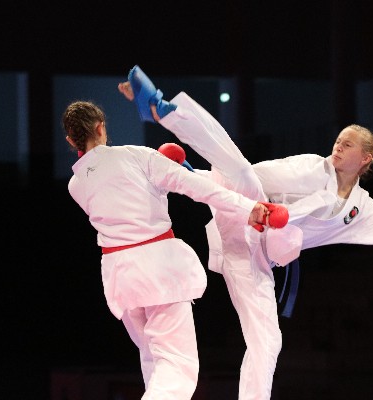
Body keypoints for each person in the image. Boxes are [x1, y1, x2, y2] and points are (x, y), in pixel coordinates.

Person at [118, 65, 373, 400]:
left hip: (254, 257)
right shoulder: (311, 167)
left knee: (268, 341)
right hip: (247, 213)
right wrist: (195, 176)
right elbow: (245, 179)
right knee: (243, 175)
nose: (338, 145)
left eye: (348, 143)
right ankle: (161, 109)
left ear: (366, 158)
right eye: (339, 139)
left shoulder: (362, 210)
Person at [62, 99, 284, 399]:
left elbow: (121, 193)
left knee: (154, 359)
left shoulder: (75, 185)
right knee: (178, 367)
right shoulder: (137, 157)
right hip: (158, 271)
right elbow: (198, 187)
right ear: (101, 127)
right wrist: (249, 207)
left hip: (121, 279)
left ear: (70, 139)